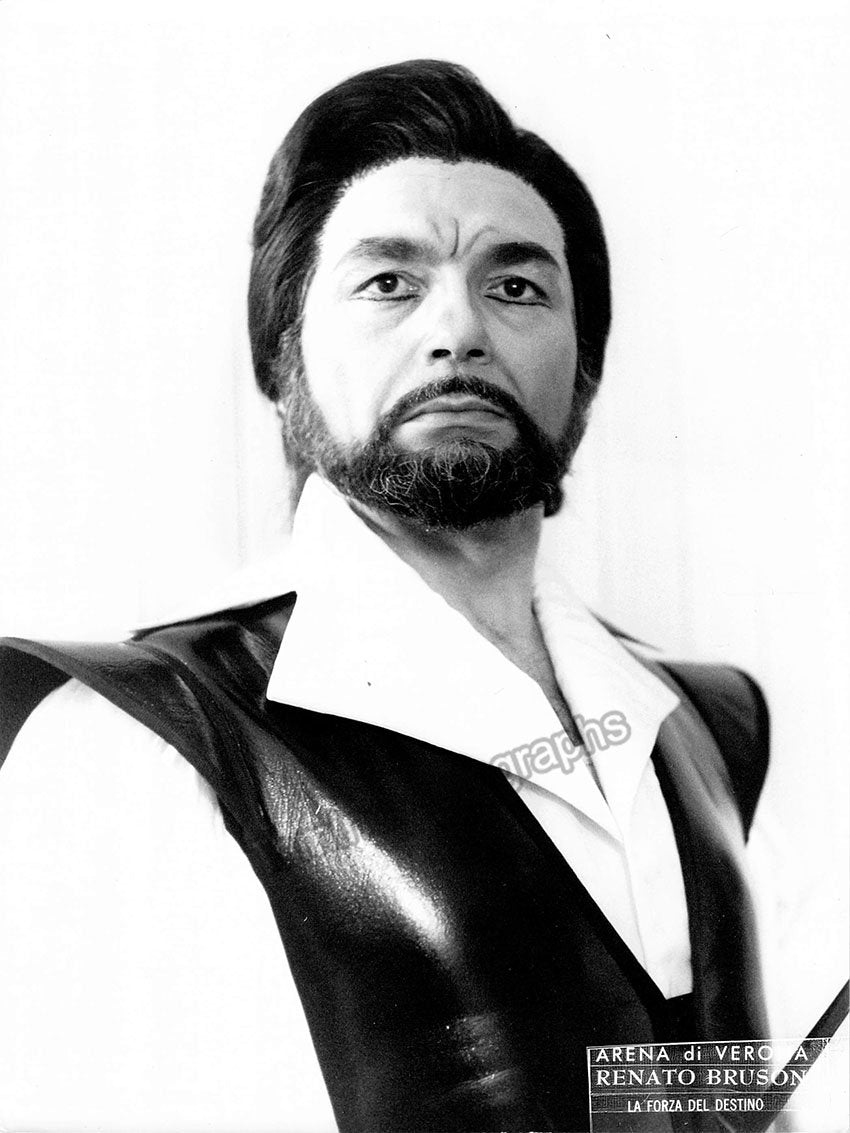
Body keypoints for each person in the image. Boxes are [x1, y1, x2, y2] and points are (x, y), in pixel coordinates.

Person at [0, 60, 771, 1132]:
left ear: (586, 370)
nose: (459, 330)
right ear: (283, 357)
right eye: (389, 284)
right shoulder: (143, 737)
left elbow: (727, 1086)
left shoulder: (704, 721)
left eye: (516, 286)